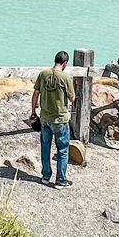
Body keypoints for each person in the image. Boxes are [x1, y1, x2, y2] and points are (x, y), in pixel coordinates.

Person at [32, 51, 74, 188]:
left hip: (45, 117)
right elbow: (72, 98)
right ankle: (60, 180)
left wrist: (33, 111)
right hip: (60, 119)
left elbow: (36, 93)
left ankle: (45, 175)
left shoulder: (43, 74)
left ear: (55, 60)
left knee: (45, 147)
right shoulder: (66, 77)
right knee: (62, 149)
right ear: (65, 63)